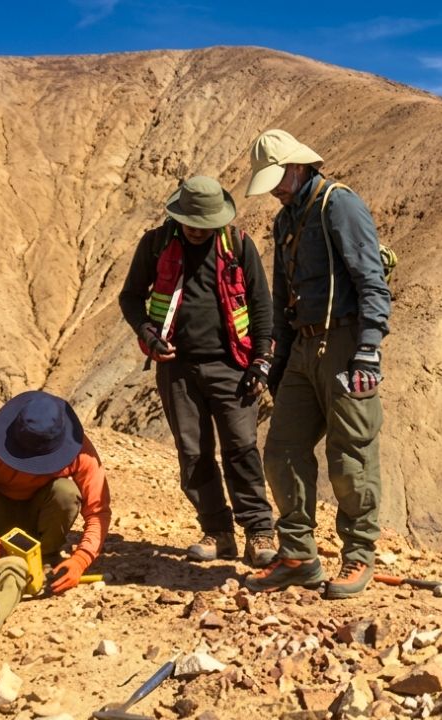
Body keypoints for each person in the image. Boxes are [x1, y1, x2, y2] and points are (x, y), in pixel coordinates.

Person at [242, 129, 391, 598]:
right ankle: (298, 556)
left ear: (298, 166)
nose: (275, 191)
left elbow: (371, 280)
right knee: (281, 451)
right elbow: (283, 296)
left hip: (345, 343)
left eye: (277, 180)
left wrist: (369, 347)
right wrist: (277, 359)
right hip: (303, 348)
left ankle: (358, 555)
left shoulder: (338, 204)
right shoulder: (285, 220)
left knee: (350, 456)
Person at [118, 175, 278, 568]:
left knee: (241, 447)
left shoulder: (237, 245)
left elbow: (261, 304)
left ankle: (259, 531)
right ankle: (217, 531)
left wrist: (261, 360)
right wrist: (148, 334)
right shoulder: (156, 244)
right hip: (177, 369)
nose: (195, 230)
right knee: (193, 453)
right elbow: (130, 297)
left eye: (203, 224)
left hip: (233, 365)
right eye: (190, 222)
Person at [0, 391, 110, 594]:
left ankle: (45, 556)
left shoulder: (81, 451)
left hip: (40, 519)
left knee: (65, 492)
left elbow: (98, 510)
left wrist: (81, 559)